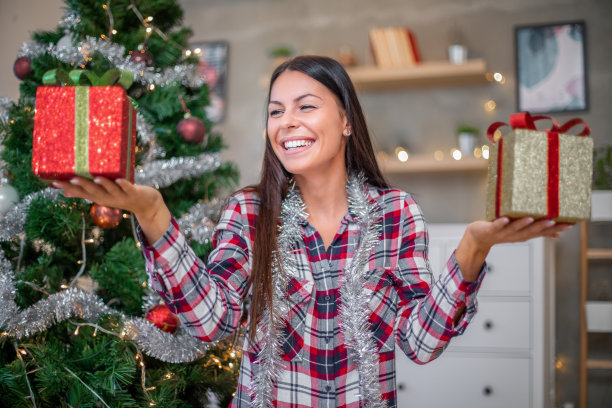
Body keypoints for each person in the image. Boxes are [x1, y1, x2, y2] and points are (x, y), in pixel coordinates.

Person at [54, 55, 571, 408]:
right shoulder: (249, 212)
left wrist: (474, 247)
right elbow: (211, 322)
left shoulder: (396, 212)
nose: (287, 123)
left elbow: (420, 342)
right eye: (276, 111)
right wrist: (153, 213)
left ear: (346, 120)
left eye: (306, 106)